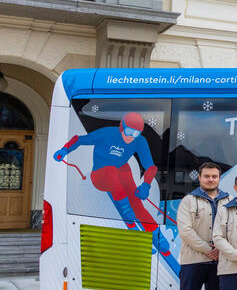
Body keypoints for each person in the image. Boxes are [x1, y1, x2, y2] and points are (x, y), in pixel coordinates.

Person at [53, 111, 178, 274]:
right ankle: (128, 217)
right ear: (122, 127)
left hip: (119, 173)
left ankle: (157, 237)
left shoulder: (139, 141)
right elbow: (80, 140)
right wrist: (64, 150)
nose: (131, 137)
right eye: (129, 132)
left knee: (134, 196)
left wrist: (146, 185)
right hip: (100, 175)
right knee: (112, 170)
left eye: (136, 133)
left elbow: (151, 166)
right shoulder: (107, 133)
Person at [171, 162, 230, 290]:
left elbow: (232, 228)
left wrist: (221, 250)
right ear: (200, 178)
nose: (211, 179)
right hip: (193, 261)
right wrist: (208, 249)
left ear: (219, 178)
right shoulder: (188, 200)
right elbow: (185, 231)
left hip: (219, 263)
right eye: (207, 176)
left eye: (214, 176)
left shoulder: (228, 200)